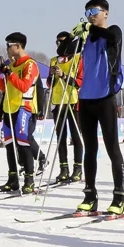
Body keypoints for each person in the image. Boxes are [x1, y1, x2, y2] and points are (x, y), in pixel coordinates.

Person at [71, 0, 124, 214]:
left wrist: (90, 28)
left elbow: (112, 37)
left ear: (106, 13)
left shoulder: (113, 31)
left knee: (112, 147)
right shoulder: (88, 37)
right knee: (90, 149)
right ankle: (90, 195)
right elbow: (66, 50)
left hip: (105, 96)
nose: (90, 15)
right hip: (86, 98)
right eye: (87, 12)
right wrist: (74, 35)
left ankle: (119, 195)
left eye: (94, 11)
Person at [0, 32, 40, 194]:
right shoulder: (12, 65)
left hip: (23, 108)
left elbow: (24, 86)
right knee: (9, 145)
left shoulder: (30, 64)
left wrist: (9, 74)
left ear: (18, 46)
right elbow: (6, 87)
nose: (6, 49)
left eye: (9, 45)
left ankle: (29, 179)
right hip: (8, 109)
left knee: (23, 143)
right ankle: (13, 179)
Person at [47, 31, 83, 183]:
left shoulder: (78, 58)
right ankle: (64, 168)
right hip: (57, 101)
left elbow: (80, 82)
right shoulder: (54, 60)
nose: (59, 45)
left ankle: (78, 168)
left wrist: (63, 75)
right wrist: (53, 76)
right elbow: (49, 83)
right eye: (57, 42)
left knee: (76, 136)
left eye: (61, 42)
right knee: (60, 136)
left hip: (73, 101)